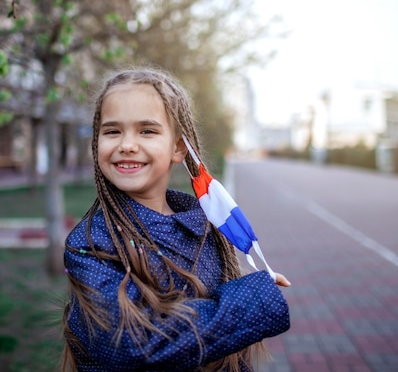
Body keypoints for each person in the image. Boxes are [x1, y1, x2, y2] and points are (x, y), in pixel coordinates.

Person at [61, 68, 291, 372]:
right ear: (97, 141)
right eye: (113, 131)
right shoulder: (91, 244)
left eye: (147, 130)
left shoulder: (203, 226)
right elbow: (134, 345)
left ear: (179, 148)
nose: (127, 144)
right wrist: (251, 302)